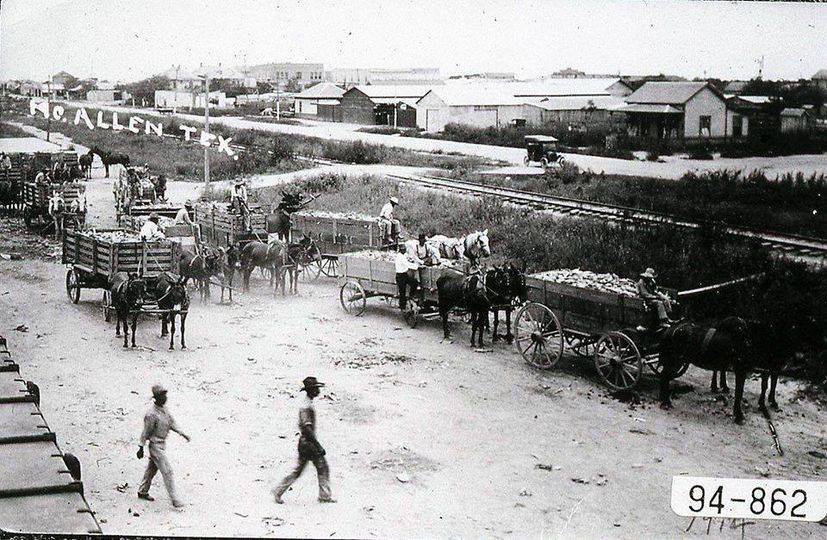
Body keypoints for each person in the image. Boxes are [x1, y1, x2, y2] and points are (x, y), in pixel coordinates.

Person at [272, 377, 334, 504]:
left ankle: (278, 491)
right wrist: (318, 446)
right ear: (311, 390)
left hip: (305, 443)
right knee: (322, 467)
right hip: (309, 443)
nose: (318, 390)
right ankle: (325, 496)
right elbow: (307, 428)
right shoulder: (306, 406)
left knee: (299, 470)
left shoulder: (307, 403)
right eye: (316, 388)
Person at [136, 384, 190, 508]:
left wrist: (182, 433)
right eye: (162, 395)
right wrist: (141, 447)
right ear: (156, 398)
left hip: (161, 445)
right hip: (155, 446)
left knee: (151, 470)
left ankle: (142, 491)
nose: (165, 397)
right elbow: (145, 432)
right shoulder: (151, 414)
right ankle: (174, 499)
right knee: (168, 471)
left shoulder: (164, 410)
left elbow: (171, 422)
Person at [394, 243, 419, 310]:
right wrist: (417, 266)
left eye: (405, 249)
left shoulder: (403, 255)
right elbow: (407, 264)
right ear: (401, 250)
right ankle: (402, 307)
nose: (405, 250)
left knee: (414, 282)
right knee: (402, 292)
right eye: (403, 249)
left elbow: (409, 258)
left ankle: (411, 295)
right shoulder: (400, 257)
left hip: (404, 275)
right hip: (400, 276)